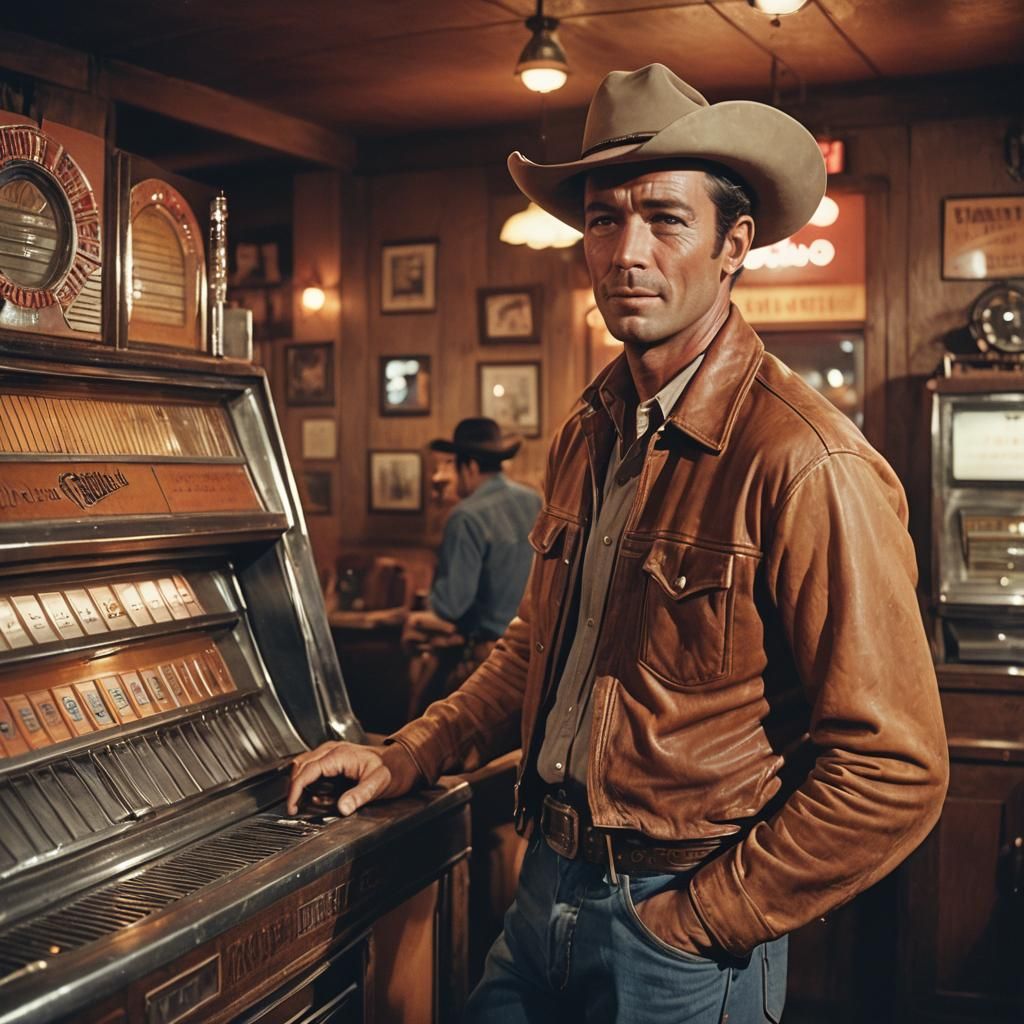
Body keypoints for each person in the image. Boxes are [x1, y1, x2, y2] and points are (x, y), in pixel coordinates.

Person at [288, 64, 948, 1023]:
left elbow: (895, 767)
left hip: (680, 930)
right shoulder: (593, 428)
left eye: (665, 219)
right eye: (604, 219)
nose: (626, 252)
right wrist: (410, 750)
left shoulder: (807, 462)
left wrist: (702, 918)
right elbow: (540, 651)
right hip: (543, 885)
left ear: (735, 246)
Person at [402, 417, 541, 712]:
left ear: (471, 467)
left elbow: (452, 605)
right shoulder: (534, 501)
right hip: (535, 655)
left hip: (486, 660)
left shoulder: (465, 515)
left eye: (453, 465)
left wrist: (426, 605)